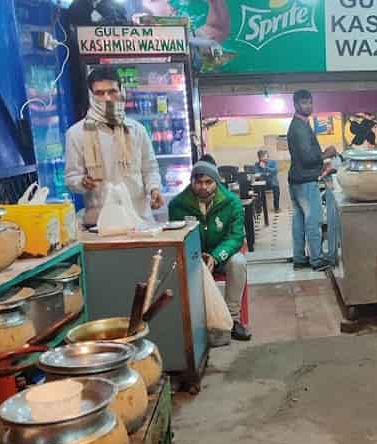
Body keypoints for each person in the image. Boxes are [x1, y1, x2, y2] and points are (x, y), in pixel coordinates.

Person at [65, 67, 163, 226]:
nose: (107, 98)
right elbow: (71, 178)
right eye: (100, 93)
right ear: (91, 95)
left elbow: (150, 168)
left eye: (112, 91)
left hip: (140, 219)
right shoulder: (76, 133)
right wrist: (82, 182)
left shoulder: (136, 130)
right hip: (101, 223)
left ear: (121, 91)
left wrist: (155, 189)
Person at [169, 161, 251, 341]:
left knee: (238, 262)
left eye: (208, 182)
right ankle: (194, 322)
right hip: (193, 258)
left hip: (222, 257)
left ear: (217, 182)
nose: (203, 187)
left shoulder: (232, 202)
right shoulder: (177, 205)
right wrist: (196, 256)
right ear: (191, 182)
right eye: (198, 182)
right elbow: (177, 237)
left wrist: (215, 257)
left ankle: (232, 320)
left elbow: (236, 237)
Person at [286, 89, 337, 271]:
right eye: (304, 103)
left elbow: (304, 158)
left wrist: (321, 165)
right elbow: (308, 158)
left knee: (299, 222)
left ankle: (299, 259)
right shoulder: (300, 127)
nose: (308, 106)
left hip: (296, 180)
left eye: (310, 102)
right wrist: (327, 154)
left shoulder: (299, 124)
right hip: (305, 182)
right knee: (313, 221)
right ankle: (316, 260)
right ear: (295, 104)